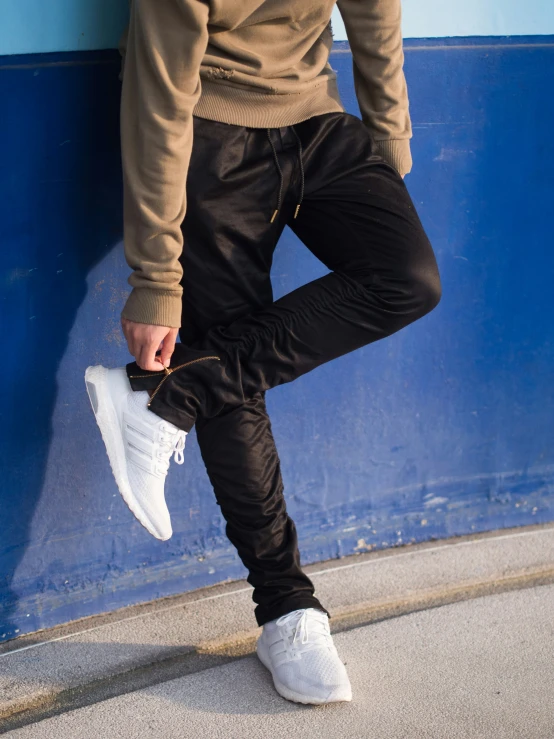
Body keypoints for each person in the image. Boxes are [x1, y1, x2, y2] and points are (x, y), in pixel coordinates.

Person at [85, 0, 441, 706]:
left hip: (316, 120)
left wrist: (387, 139)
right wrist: (157, 278)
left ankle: (169, 396)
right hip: (209, 131)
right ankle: (286, 610)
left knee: (406, 279)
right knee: (235, 365)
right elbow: (158, 92)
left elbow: (373, 8)